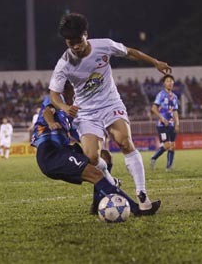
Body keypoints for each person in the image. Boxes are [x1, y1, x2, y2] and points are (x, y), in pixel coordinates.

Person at [49, 13, 171, 211]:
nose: (76, 47)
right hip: (87, 113)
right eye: (71, 44)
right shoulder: (64, 64)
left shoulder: (103, 45)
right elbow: (53, 94)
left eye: (78, 42)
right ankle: (110, 182)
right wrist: (64, 107)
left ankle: (143, 197)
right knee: (91, 158)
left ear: (85, 35)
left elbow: (130, 52)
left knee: (124, 141)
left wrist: (155, 62)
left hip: (110, 104)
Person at [30, 91, 160, 217]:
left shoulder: (71, 113)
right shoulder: (56, 99)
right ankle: (136, 209)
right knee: (96, 174)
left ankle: (98, 201)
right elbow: (48, 112)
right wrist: (51, 123)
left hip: (64, 150)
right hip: (50, 152)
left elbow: (81, 135)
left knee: (104, 156)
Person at [149, 74, 179, 171]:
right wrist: (161, 118)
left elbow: (175, 111)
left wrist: (177, 123)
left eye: (171, 81)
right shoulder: (161, 94)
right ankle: (154, 158)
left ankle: (169, 167)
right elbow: (153, 108)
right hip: (162, 125)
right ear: (164, 83)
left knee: (173, 145)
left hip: (171, 124)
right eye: (167, 81)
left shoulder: (174, 97)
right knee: (166, 145)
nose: (170, 83)